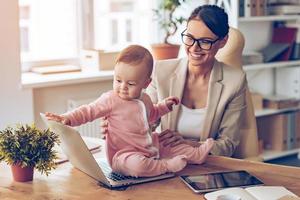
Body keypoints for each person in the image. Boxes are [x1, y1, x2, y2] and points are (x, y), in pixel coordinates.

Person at [100, 5, 255, 158]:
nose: (194, 48)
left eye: (205, 41)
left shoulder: (235, 81)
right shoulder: (161, 71)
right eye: (189, 38)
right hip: (166, 160)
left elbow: (227, 145)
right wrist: (121, 125)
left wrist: (189, 144)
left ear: (223, 42)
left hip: (208, 165)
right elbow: (147, 120)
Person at [46, 45, 214, 177]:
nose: (122, 87)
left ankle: (196, 154)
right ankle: (166, 166)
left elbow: (152, 114)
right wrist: (67, 118)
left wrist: (164, 106)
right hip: (123, 155)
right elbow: (88, 111)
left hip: (149, 145)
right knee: (137, 165)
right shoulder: (111, 99)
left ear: (146, 84)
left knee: (172, 145)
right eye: (118, 80)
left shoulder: (146, 98)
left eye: (131, 84)